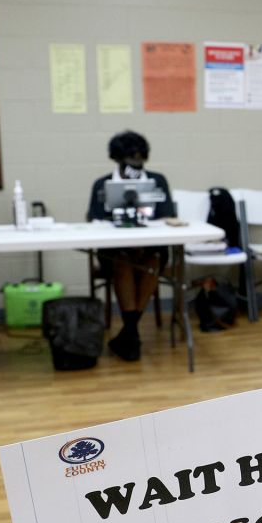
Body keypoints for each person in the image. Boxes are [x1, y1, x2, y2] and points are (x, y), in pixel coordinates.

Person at [87, 131, 175, 362]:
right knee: (123, 261)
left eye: (138, 158)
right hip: (115, 251)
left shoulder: (157, 181)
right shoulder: (102, 184)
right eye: (128, 158)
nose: (134, 163)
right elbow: (94, 218)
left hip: (150, 248)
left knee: (154, 258)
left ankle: (129, 333)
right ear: (117, 159)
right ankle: (131, 332)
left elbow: (167, 215)